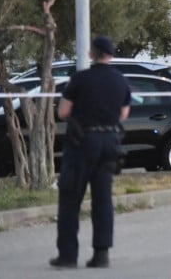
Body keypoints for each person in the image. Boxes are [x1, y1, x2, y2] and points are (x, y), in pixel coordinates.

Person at [51, 36, 132, 270]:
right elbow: (123, 115)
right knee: (103, 199)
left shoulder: (81, 79)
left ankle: (67, 255)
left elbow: (64, 111)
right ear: (111, 55)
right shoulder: (120, 81)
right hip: (110, 143)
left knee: (70, 197)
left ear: (91, 54)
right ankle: (101, 254)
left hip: (83, 142)